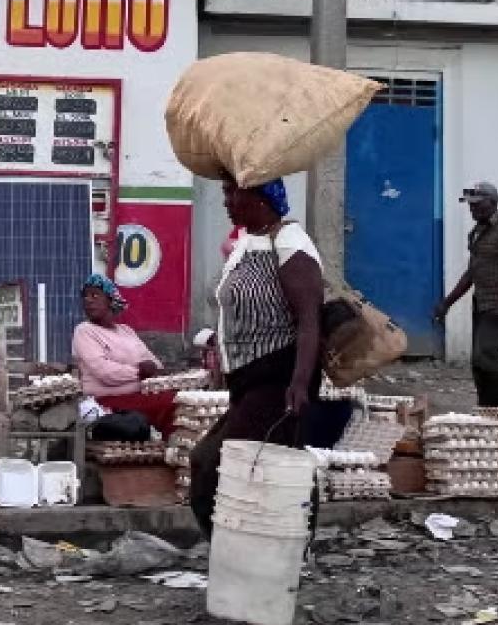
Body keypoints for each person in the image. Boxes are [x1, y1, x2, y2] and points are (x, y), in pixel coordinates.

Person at [189, 178, 324, 538]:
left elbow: (311, 322)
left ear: (261, 198)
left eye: (234, 194)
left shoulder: (292, 246)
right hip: (246, 381)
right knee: (268, 463)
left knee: (217, 462)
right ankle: (267, 547)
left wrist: (299, 384)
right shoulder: (248, 244)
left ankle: (261, 548)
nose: (227, 203)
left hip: (278, 380)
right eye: (224, 194)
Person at [434, 181, 498, 413]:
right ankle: (488, 407)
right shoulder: (476, 233)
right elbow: (471, 273)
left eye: (478, 205)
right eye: (471, 205)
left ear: (493, 203)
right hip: (482, 302)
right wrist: (447, 303)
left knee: (485, 356)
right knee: (478, 364)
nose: (473, 210)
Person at [72, 274, 177, 436]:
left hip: (139, 395)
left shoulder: (126, 331)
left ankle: (177, 449)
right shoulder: (84, 331)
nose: (88, 300)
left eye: (95, 295)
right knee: (169, 403)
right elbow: (105, 372)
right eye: (85, 296)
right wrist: (139, 372)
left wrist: (150, 368)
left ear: (110, 300)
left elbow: (153, 363)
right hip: (109, 401)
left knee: (179, 399)